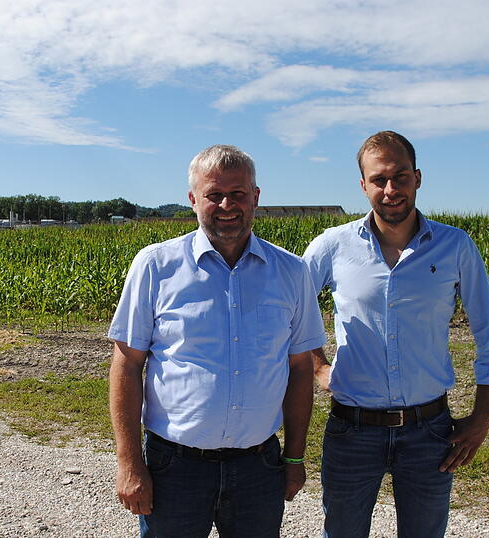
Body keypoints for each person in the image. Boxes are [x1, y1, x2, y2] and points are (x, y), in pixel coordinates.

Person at [109, 144, 328, 537]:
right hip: (174, 467)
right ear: (193, 199)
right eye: (214, 195)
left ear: (256, 197)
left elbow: (299, 370)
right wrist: (129, 463)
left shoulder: (292, 272)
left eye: (239, 194)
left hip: (258, 468)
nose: (228, 204)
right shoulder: (155, 266)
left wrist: (294, 456)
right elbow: (126, 363)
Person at [302, 131, 489, 538]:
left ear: (418, 177)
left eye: (400, 177)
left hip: (429, 430)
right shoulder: (333, 246)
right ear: (364, 186)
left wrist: (483, 416)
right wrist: (319, 366)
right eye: (379, 180)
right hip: (352, 430)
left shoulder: (454, 246)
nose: (391, 189)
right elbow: (289, 311)